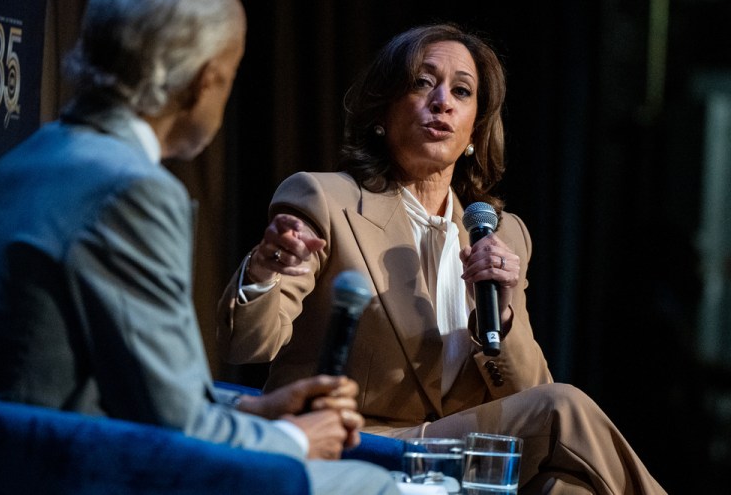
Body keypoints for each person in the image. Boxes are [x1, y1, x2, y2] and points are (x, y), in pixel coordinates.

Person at [0, 0, 400, 494]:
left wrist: (252, 409)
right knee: (371, 483)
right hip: (70, 473)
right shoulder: (131, 189)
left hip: (7, 460)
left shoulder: (23, 160)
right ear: (204, 80)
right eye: (232, 75)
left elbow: (130, 384)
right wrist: (294, 438)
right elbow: (179, 431)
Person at [217, 24, 666, 494]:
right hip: (363, 442)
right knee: (564, 409)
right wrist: (266, 270)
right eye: (422, 83)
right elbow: (246, 347)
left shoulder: (501, 232)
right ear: (383, 111)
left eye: (462, 91)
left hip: (463, 453)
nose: (443, 102)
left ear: (475, 126)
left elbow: (526, 390)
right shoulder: (326, 200)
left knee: (569, 483)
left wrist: (503, 311)